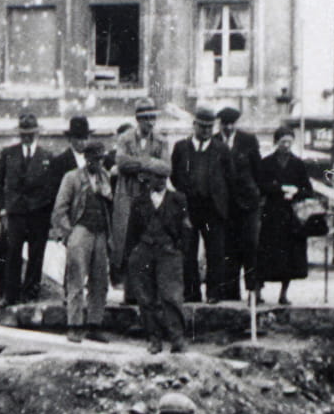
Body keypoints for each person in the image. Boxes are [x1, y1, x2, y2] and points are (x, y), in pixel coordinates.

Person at [125, 157, 189, 353]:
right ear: (148, 178)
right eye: (157, 177)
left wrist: (179, 250)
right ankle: (154, 339)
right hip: (144, 251)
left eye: (164, 177)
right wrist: (132, 255)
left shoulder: (178, 199)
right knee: (146, 298)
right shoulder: (139, 201)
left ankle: (177, 338)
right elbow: (132, 232)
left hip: (168, 252)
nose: (160, 181)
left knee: (171, 296)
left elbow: (186, 229)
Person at [51, 142, 113, 343]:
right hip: (81, 230)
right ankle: (74, 325)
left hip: (101, 232)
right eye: (96, 159)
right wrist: (70, 233)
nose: (99, 162)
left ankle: (95, 324)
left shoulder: (106, 178)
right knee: (76, 278)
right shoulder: (72, 178)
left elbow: (111, 206)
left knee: (100, 280)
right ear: (87, 159)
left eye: (101, 158)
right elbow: (60, 209)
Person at [171, 106, 233, 304]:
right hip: (189, 207)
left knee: (215, 251)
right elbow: (175, 175)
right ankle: (191, 293)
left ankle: (214, 293)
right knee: (188, 251)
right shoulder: (181, 147)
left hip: (212, 209)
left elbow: (230, 178)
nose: (206, 131)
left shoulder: (221, 149)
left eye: (209, 127)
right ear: (194, 125)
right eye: (202, 126)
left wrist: (222, 201)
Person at [0, 112, 57, 306]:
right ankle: (10, 295)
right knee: (13, 252)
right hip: (16, 212)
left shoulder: (47, 156)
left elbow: (52, 186)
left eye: (30, 133)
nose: (27, 137)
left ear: (36, 133)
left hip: (39, 213)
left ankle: (31, 292)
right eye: (23, 133)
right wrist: (2, 208)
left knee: (37, 253)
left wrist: (49, 213)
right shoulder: (8, 154)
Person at [112, 99, 170, 296]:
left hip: (151, 199)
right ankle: (130, 293)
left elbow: (165, 167)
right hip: (129, 198)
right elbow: (121, 162)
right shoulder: (125, 139)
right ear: (138, 119)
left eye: (153, 118)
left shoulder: (161, 140)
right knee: (130, 245)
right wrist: (149, 163)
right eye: (146, 119)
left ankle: (150, 293)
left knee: (151, 243)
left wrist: (138, 165)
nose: (150, 123)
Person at [254, 127, 314, 305]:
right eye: (282, 142)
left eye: (289, 142)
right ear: (276, 143)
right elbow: (260, 185)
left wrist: (296, 192)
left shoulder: (298, 164)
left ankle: (283, 293)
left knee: (289, 257)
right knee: (265, 254)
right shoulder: (266, 163)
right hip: (271, 215)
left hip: (291, 217)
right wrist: (278, 189)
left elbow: (308, 189)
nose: (286, 145)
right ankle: (257, 292)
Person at [215, 106, 264, 302]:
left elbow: (258, 170)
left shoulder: (248, 140)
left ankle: (254, 290)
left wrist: (258, 195)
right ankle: (231, 292)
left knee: (251, 246)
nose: (228, 127)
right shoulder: (215, 142)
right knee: (228, 249)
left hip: (248, 204)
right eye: (224, 123)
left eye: (231, 123)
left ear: (236, 123)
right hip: (225, 205)